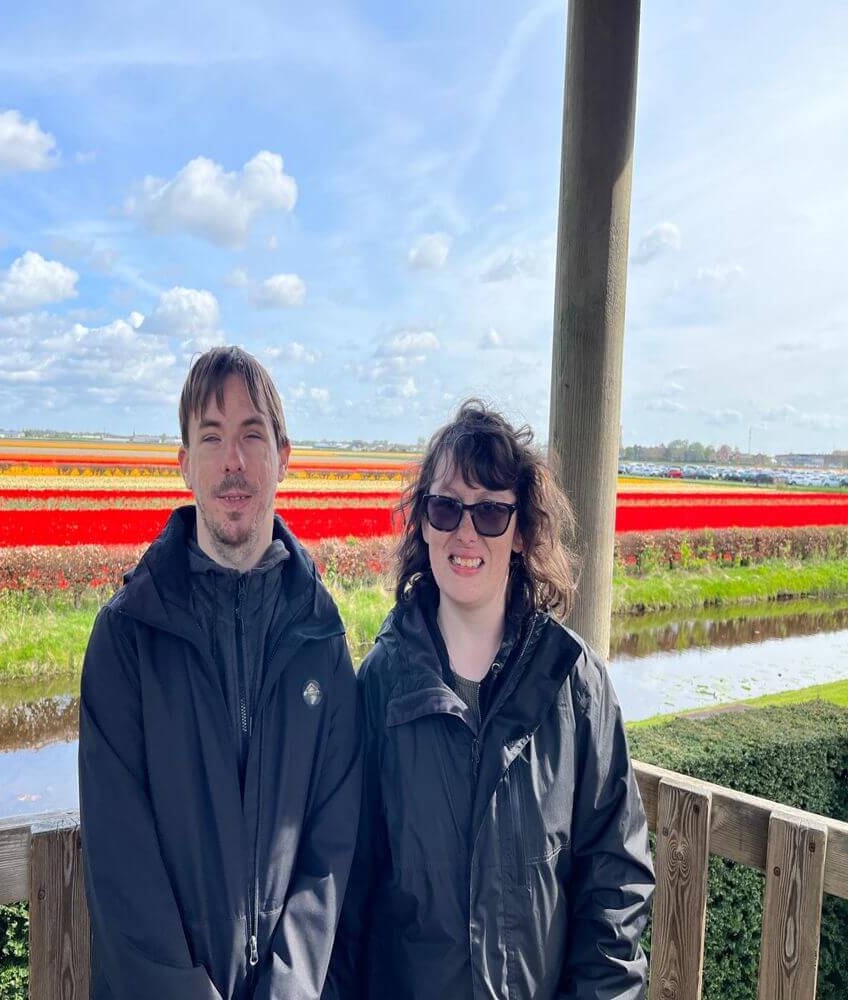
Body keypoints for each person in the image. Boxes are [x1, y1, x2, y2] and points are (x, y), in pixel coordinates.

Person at [327, 399, 655, 1000]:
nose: (465, 532)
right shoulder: (379, 686)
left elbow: (615, 883)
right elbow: (347, 898)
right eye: (446, 507)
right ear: (423, 524)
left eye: (491, 513)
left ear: (523, 531)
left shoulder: (574, 684)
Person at [79, 346, 362, 1000]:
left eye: (251, 435)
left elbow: (331, 846)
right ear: (184, 465)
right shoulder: (127, 637)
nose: (233, 461)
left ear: (283, 457)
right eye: (211, 437)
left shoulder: (321, 636)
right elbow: (122, 866)